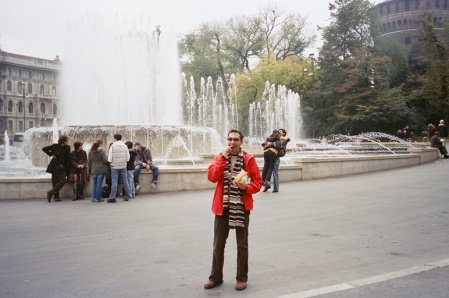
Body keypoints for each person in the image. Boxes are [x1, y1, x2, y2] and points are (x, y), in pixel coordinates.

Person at [204, 129, 262, 291]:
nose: (232, 142)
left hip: (241, 207)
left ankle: (241, 278)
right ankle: (215, 277)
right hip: (223, 207)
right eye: (229, 139)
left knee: (242, 244)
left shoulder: (248, 159)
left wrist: (246, 187)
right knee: (218, 244)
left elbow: (257, 182)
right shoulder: (220, 157)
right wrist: (222, 158)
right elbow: (212, 177)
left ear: (241, 142)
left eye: (236, 139)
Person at [42, 135, 71, 202]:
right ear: (63, 141)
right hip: (55, 165)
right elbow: (44, 149)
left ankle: (51, 192)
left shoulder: (68, 147)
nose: (67, 142)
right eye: (66, 140)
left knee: (63, 180)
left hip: (63, 166)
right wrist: (51, 154)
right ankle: (56, 196)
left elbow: (68, 158)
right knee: (55, 181)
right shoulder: (55, 146)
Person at [107, 134, 131, 203]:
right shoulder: (125, 146)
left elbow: (109, 157)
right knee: (125, 181)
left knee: (114, 182)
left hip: (115, 166)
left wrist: (110, 163)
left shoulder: (113, 146)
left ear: (115, 138)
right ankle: (128, 195)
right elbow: (128, 157)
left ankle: (112, 197)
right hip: (123, 166)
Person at [272, 128, 290, 193]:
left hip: (276, 157)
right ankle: (266, 185)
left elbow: (278, 144)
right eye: (278, 131)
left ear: (283, 133)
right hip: (271, 156)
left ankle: (276, 188)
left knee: (275, 172)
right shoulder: (275, 137)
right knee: (268, 171)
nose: (278, 132)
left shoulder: (284, 141)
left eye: (280, 131)